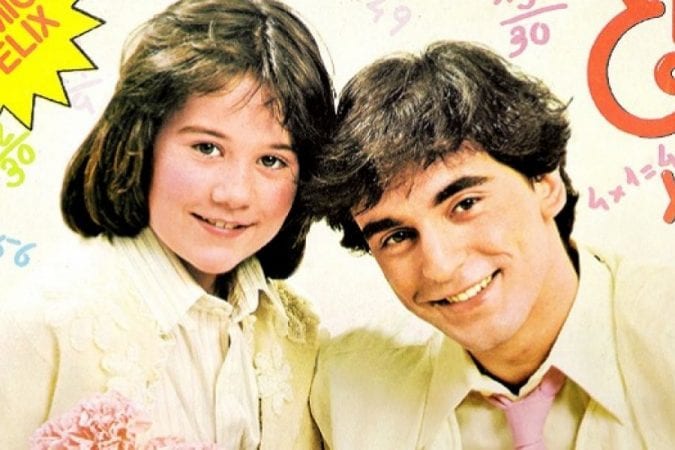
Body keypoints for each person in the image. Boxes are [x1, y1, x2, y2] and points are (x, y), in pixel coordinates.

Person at [306, 41, 674, 449]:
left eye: (465, 204)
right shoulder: (345, 393)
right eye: (397, 237)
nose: (440, 266)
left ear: (545, 184)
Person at [0, 0, 334, 448]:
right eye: (207, 148)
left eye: (271, 160)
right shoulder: (40, 325)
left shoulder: (300, 334)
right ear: (141, 140)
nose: (234, 194)